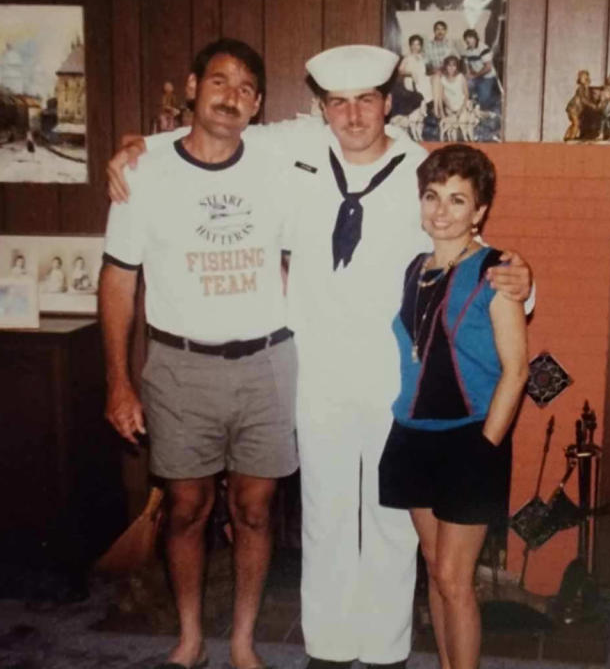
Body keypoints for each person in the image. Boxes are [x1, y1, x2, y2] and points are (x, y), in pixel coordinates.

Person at [106, 43, 533, 669]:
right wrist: (134, 145)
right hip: (315, 367)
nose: (353, 116)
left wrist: (523, 281)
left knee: (390, 522)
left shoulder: (422, 167)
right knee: (326, 512)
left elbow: (467, 240)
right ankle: (330, 649)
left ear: (389, 105)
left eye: (367, 101)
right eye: (338, 103)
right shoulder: (290, 151)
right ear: (321, 109)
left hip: (396, 376)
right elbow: (212, 128)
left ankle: (385, 651)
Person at [99, 38, 297, 669]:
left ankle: (241, 642)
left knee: (256, 510)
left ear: (259, 105)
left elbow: (345, 125)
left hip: (267, 366)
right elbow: (118, 279)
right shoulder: (143, 173)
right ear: (191, 87)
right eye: (219, 81)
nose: (230, 96)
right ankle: (190, 639)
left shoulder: (276, 164)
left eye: (245, 88)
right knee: (185, 509)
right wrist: (118, 382)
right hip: (179, 367)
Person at [380, 144, 528, 669]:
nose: (441, 211)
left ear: (480, 210)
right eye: (432, 196)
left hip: (470, 437)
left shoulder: (497, 272)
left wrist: (486, 447)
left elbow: (517, 371)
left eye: (457, 199)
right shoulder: (412, 269)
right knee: (433, 568)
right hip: (413, 434)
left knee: (452, 578)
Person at [461, 29, 499, 113]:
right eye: (466, 38)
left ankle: (488, 108)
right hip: (477, 77)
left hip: (488, 77)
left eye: (470, 37)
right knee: (465, 86)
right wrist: (468, 75)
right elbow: (466, 66)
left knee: (484, 101)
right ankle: (471, 107)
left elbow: (488, 67)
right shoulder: (467, 50)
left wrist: (474, 76)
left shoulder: (483, 48)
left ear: (475, 38)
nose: (468, 40)